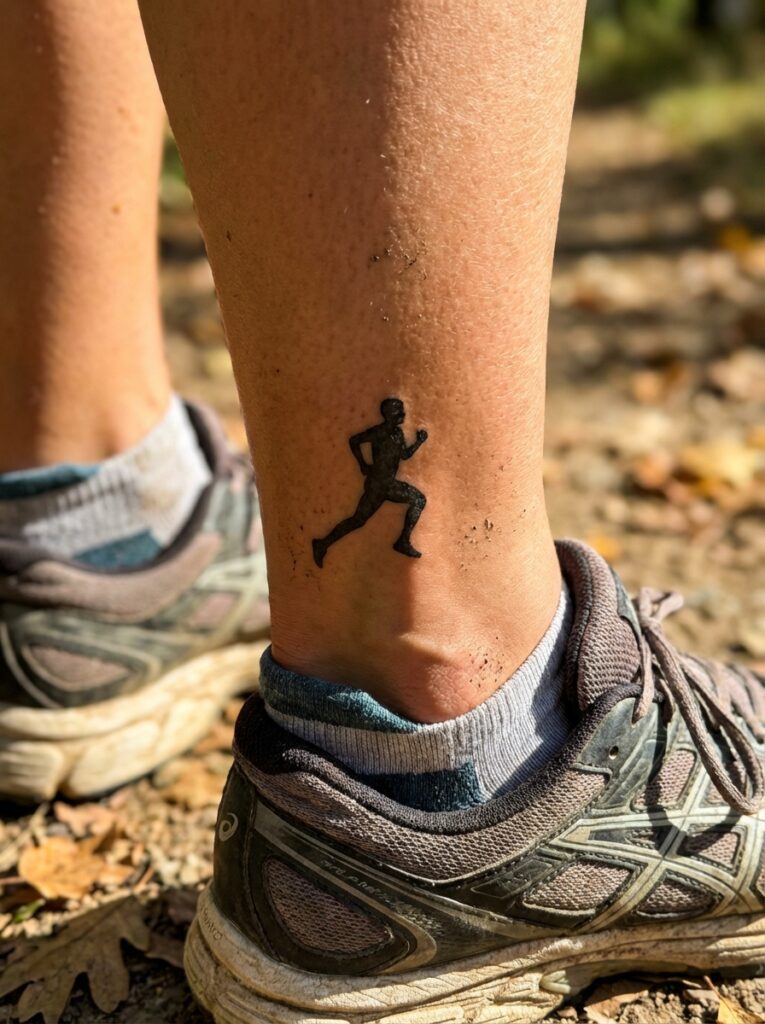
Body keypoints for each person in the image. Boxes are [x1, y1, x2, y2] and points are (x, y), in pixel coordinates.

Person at [1, 3, 763, 1022]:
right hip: (390, 527)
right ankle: (447, 717)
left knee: (366, 517)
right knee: (389, 560)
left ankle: (81, 501)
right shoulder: (387, 441)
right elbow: (379, 457)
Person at [312, 397, 427, 567]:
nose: (402, 415)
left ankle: (403, 541)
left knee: (417, 500)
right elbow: (354, 440)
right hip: (379, 485)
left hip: (388, 483)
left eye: (402, 412)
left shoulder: (397, 433)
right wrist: (362, 464)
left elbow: (404, 455)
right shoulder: (379, 432)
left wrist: (418, 442)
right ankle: (322, 543)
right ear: (388, 415)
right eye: (398, 413)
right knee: (358, 520)